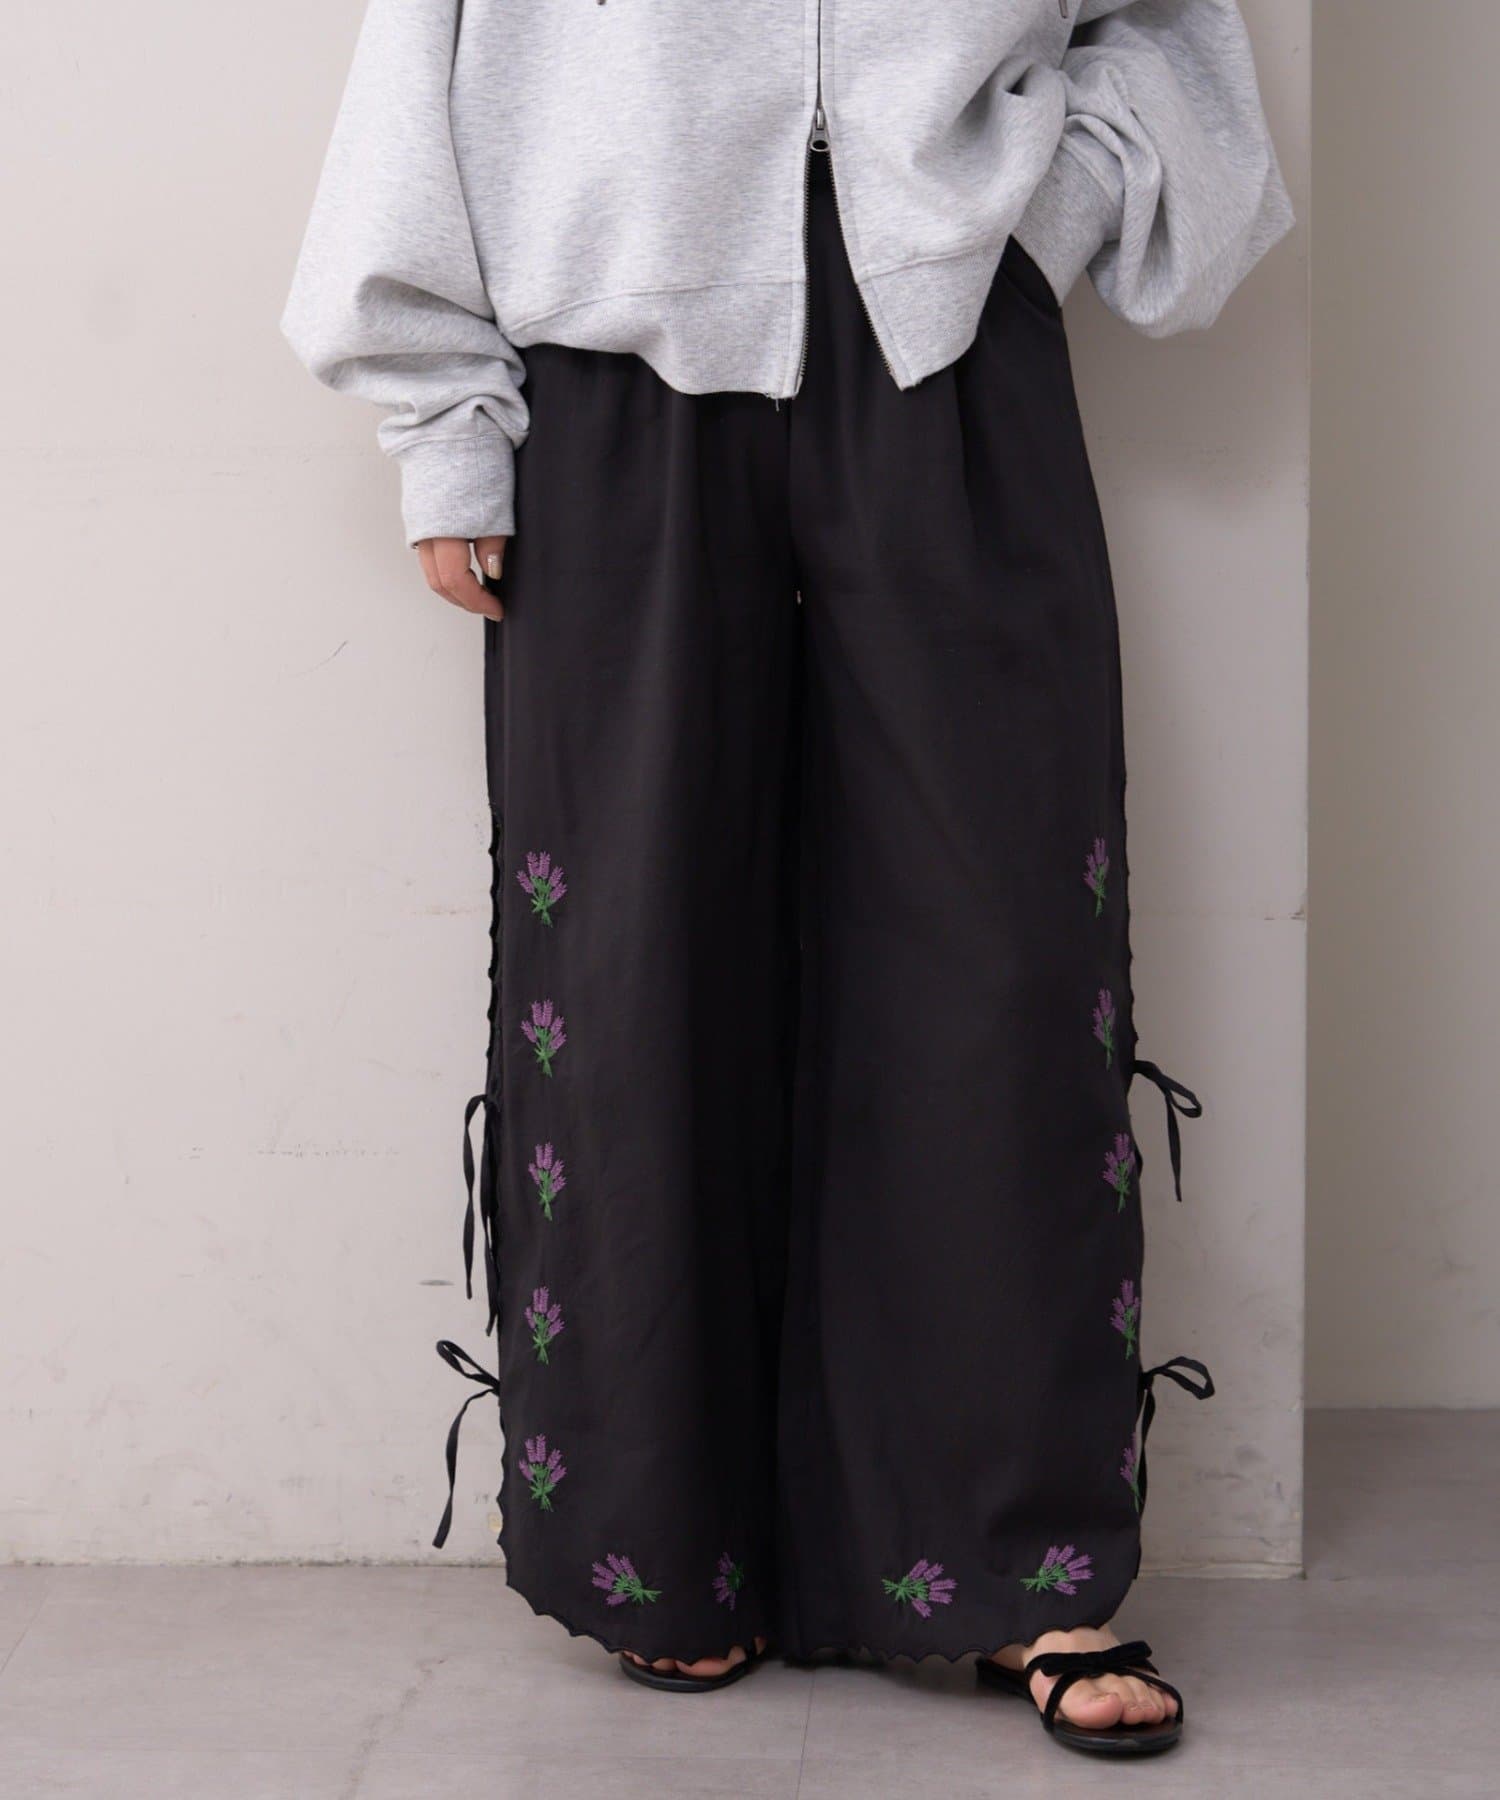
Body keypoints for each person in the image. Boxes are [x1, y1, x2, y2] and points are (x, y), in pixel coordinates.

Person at [284, 0, 1291, 1758]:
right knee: (635, 962)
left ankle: (1023, 1561)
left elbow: (1165, 34)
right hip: (612, 366)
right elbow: (421, 62)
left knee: (999, 960)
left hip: (952, 344)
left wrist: (1031, 215)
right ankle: (664, 1547)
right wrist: (445, 420)